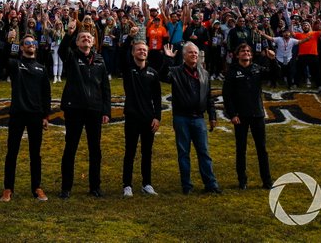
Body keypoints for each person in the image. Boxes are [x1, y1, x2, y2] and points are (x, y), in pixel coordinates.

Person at [58, 17, 111, 199]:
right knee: (70, 148)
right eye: (82, 38)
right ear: (77, 42)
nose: (86, 40)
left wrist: (106, 110)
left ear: (94, 41)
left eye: (89, 38)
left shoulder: (100, 60)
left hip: (95, 110)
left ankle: (95, 186)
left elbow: (105, 87)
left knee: (95, 149)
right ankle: (66, 187)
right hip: (74, 109)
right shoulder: (72, 56)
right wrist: (69, 33)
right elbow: (62, 50)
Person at [162, 42, 221, 195]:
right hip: (181, 118)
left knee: (204, 152)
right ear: (184, 55)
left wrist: (212, 115)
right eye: (190, 52)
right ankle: (186, 185)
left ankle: (211, 184)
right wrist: (168, 59)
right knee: (184, 153)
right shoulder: (175, 71)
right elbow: (162, 76)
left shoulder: (204, 73)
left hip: (199, 118)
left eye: (195, 52)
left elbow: (209, 97)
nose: (194, 55)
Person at [0, 34, 51, 202]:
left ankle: (36, 188)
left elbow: (46, 94)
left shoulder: (41, 68)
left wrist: (46, 116)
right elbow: (2, 58)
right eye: (27, 43)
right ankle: (8, 188)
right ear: (22, 47)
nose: (31, 45)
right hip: (18, 114)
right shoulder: (15, 65)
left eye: (33, 42)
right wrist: (9, 42)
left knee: (35, 154)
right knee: (12, 152)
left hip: (36, 115)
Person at [223, 43, 273, 190]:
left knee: (262, 149)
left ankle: (267, 181)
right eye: (242, 51)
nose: (246, 53)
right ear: (237, 55)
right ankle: (242, 180)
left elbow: (274, 75)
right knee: (241, 149)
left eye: (248, 51)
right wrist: (232, 114)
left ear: (251, 54)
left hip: (257, 114)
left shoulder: (257, 68)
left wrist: (272, 60)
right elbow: (227, 96)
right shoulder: (232, 72)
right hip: (240, 116)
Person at [119, 27, 162, 197]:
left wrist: (157, 117)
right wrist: (130, 37)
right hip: (131, 117)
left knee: (147, 152)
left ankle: (147, 183)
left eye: (145, 49)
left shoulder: (152, 73)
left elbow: (158, 98)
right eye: (139, 49)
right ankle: (127, 185)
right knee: (130, 151)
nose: (142, 51)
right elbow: (121, 53)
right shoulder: (128, 69)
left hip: (148, 118)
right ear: (133, 52)